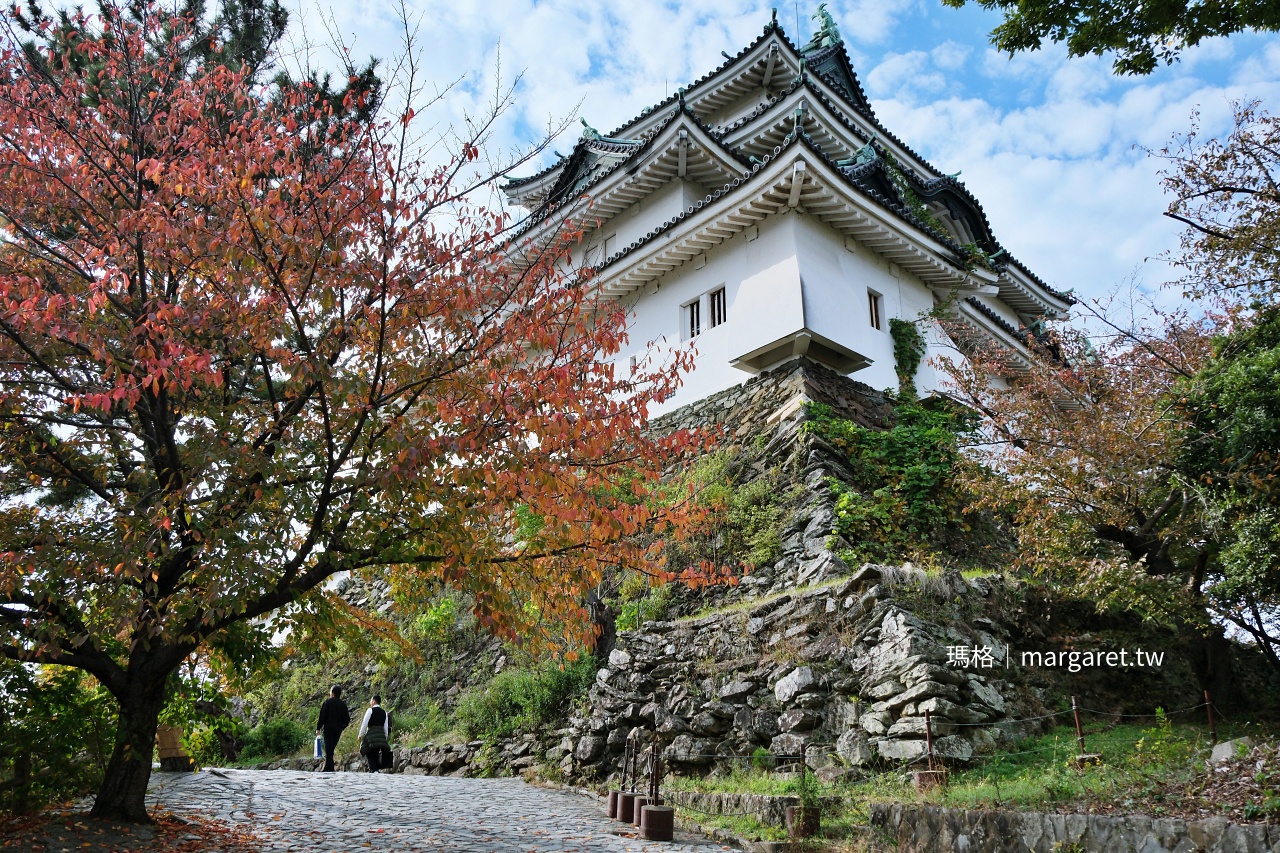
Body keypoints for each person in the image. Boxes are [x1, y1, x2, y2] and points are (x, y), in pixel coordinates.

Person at [315, 685, 350, 773]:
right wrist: (342, 727)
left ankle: (329, 768)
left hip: (328, 729)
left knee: (329, 749)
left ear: (333, 692)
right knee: (331, 749)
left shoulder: (327, 702)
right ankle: (329, 767)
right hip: (337, 730)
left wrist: (318, 728)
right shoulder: (343, 704)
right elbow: (347, 719)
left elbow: (322, 716)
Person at [358, 694, 393, 772]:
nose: (370, 702)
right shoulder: (384, 713)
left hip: (371, 734)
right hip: (380, 735)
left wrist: (360, 734)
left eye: (371, 700)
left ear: (373, 701)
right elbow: (385, 726)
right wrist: (385, 737)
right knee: (376, 751)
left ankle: (373, 769)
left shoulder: (370, 710)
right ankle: (376, 769)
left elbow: (364, 723)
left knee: (368, 751)